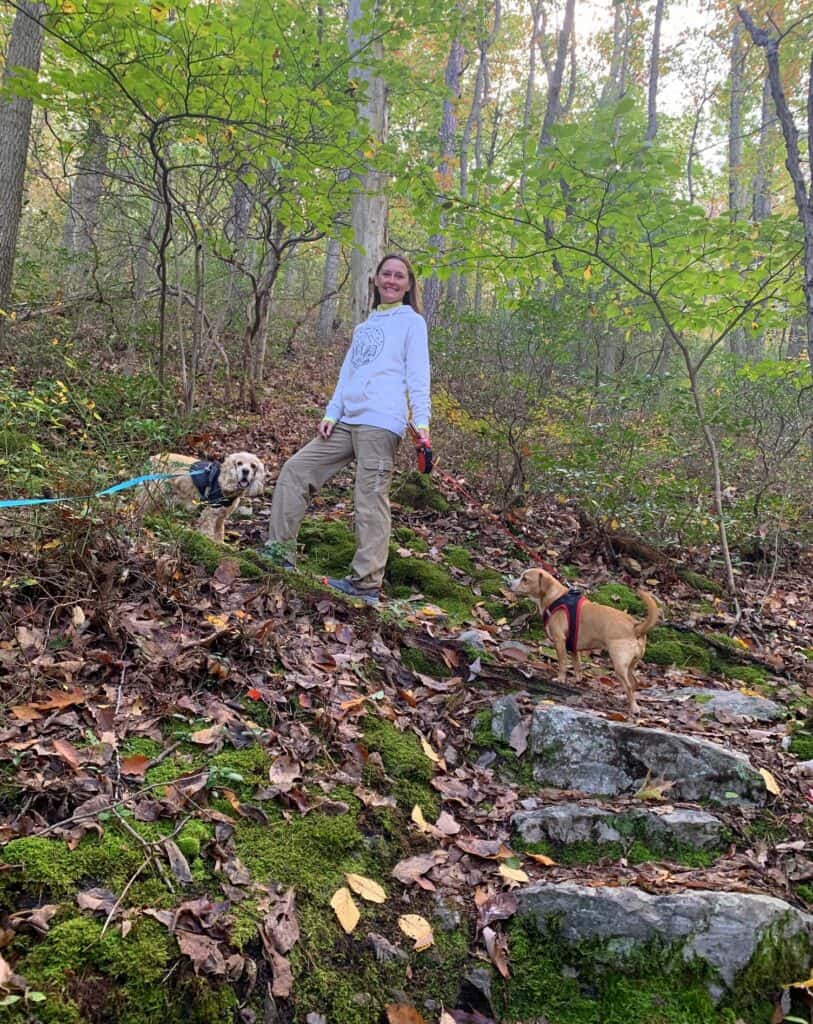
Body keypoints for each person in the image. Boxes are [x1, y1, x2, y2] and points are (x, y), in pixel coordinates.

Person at [262, 253, 431, 605]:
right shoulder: (364, 326)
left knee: (369, 498)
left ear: (409, 284)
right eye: (386, 274)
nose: (392, 280)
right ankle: (279, 554)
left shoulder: (411, 322)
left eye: (400, 276)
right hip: (347, 420)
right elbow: (347, 374)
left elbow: (419, 378)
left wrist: (423, 424)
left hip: (382, 422)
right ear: (376, 279)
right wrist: (331, 412)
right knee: (295, 471)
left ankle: (366, 583)